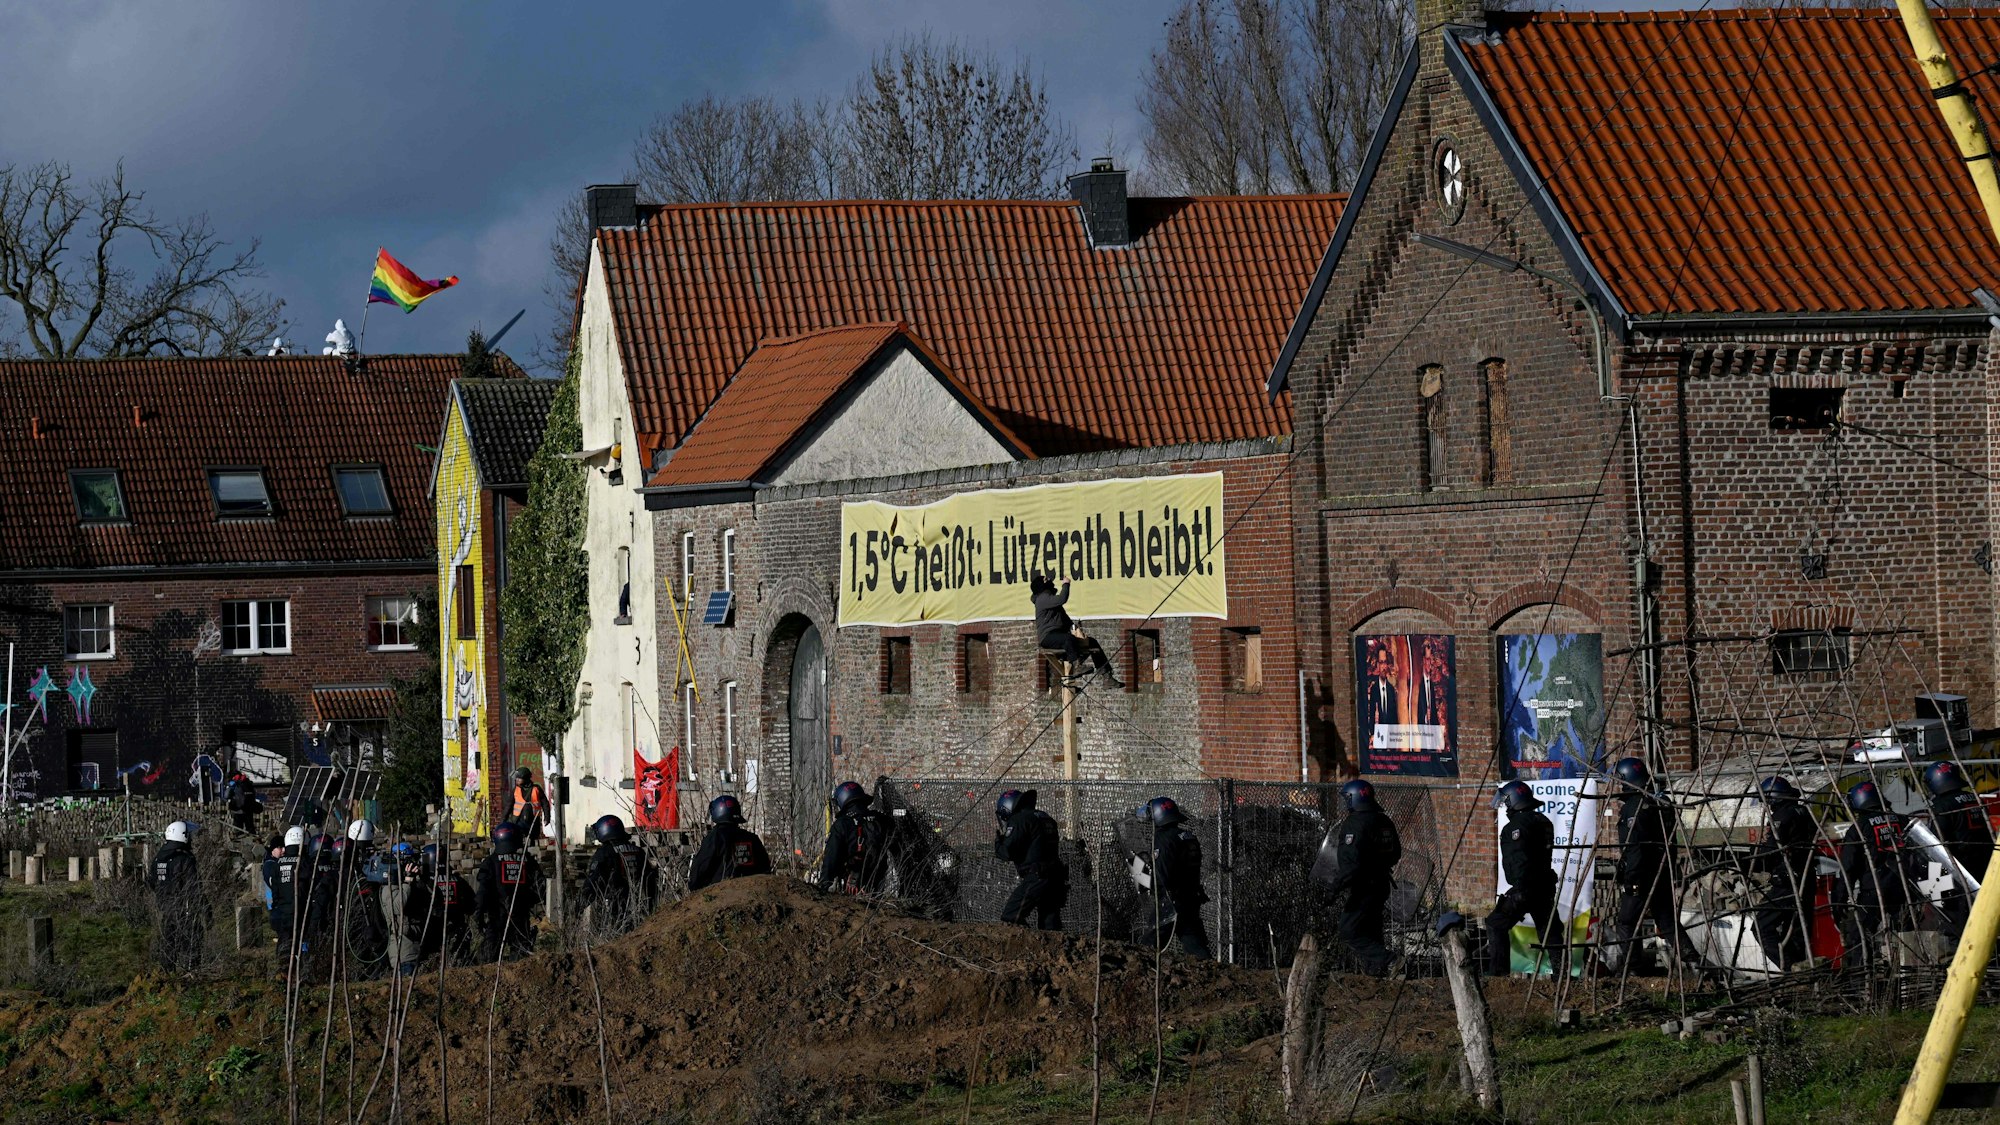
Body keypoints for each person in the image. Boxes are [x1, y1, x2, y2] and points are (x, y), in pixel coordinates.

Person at [1602, 757, 1699, 974]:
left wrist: (1631, 879)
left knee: (1627, 922)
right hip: (1661, 872)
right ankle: (1694, 962)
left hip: (1641, 875)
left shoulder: (1635, 807)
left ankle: (1632, 969)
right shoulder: (1659, 803)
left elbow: (1636, 848)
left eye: (1620, 780)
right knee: (1667, 921)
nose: (1618, 785)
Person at [1309, 779, 1402, 977]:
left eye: (1347, 798)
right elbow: (1396, 853)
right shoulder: (1384, 821)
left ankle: (1389, 960)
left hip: (1364, 887)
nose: (1345, 803)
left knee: (1349, 930)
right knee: (1371, 929)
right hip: (1382, 884)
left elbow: (1351, 863)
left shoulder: (1355, 823)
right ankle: (1376, 971)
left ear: (1355, 798)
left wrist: (1334, 888)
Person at [1486, 780, 1562, 976]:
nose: (1505, 807)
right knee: (1550, 932)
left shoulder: (1515, 827)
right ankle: (1562, 974)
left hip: (1526, 888)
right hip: (1545, 885)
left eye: (1506, 802)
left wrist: (1519, 890)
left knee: (1496, 923)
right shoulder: (1543, 820)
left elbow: (1517, 863)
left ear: (1514, 800)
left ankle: (1498, 976)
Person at [1839, 779, 1915, 970]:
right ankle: (1908, 978)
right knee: (1906, 936)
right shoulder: (1902, 820)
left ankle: (1862, 982)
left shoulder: (1859, 828)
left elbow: (1848, 867)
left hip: (1873, 890)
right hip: (1904, 888)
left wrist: (1840, 897)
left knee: (1862, 937)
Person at [1750, 776, 1820, 971]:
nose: (1766, 806)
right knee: (1798, 932)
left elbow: (1771, 852)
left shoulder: (1782, 816)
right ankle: (1801, 976)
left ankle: (1789, 968)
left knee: (1761, 927)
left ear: (1773, 799)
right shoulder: (1804, 812)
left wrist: (1752, 856)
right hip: (1807, 879)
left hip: (1788, 882)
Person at [1924, 761, 1993, 940]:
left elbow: (1934, 844)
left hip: (1959, 868)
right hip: (1985, 863)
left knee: (1959, 917)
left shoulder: (1941, 807)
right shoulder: (1974, 799)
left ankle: (1962, 950)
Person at [1143, 796, 1211, 958]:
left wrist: (1151, 886)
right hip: (1190, 898)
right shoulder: (1187, 836)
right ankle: (1214, 976)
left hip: (1170, 902)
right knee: (1195, 947)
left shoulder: (1162, 839)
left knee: (1148, 947)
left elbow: (1162, 874)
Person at [1029, 573, 1122, 687]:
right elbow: (1062, 598)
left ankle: (1107, 676)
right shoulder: (1042, 598)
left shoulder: (1050, 600)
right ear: (1042, 586)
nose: (1050, 581)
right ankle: (1077, 665)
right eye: (1046, 580)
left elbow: (1066, 620)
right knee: (1068, 638)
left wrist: (1076, 630)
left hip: (1059, 635)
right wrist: (1066, 585)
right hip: (1048, 637)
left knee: (1091, 642)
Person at [995, 789, 1067, 930]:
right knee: (1049, 925)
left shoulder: (1019, 819)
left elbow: (1006, 852)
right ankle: (1053, 950)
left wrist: (999, 842)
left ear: (1007, 808)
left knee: (1011, 916)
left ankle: (1022, 948)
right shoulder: (1044, 817)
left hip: (1037, 876)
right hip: (1056, 877)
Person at [476, 822, 542, 961]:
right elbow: (540, 888)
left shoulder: (491, 862)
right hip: (521, 917)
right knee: (521, 962)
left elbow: (483, 892)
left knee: (488, 961)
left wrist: (479, 915)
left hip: (497, 917)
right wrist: (527, 902)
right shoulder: (527, 861)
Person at [584, 814, 659, 933]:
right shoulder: (638, 851)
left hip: (614, 906)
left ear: (605, 830)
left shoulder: (605, 853)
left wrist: (578, 907)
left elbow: (593, 883)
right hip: (638, 906)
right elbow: (650, 879)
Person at [151, 820, 205, 973]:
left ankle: (167, 973)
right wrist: (201, 908)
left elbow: (151, 881)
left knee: (168, 941)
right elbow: (194, 886)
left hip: (165, 907)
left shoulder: (158, 858)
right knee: (192, 940)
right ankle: (191, 972)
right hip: (184, 908)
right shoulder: (185, 858)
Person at [406, 844, 474, 965]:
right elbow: (471, 904)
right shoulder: (458, 879)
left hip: (431, 931)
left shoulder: (424, 882)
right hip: (457, 928)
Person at [819, 781, 891, 894]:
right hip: (877, 885)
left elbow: (831, 858)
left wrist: (823, 885)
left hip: (852, 890)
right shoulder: (882, 820)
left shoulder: (842, 824)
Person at [689, 795, 773, 891]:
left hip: (720, 894)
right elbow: (765, 868)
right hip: (751, 893)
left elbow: (701, 866)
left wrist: (694, 890)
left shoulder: (715, 838)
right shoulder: (752, 838)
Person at [264, 826, 307, 980]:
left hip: (282, 911)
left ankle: (284, 971)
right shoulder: (305, 863)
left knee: (284, 942)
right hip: (301, 912)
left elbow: (274, 891)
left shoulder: (277, 865)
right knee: (302, 944)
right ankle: (300, 972)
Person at [506, 767, 550, 839]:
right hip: (518, 820)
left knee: (533, 839)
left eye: (519, 778)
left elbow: (545, 804)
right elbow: (509, 805)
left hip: (533, 820)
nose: (517, 780)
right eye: (516, 778)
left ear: (526, 778)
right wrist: (503, 819)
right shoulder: (515, 790)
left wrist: (547, 817)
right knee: (518, 839)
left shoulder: (536, 789)